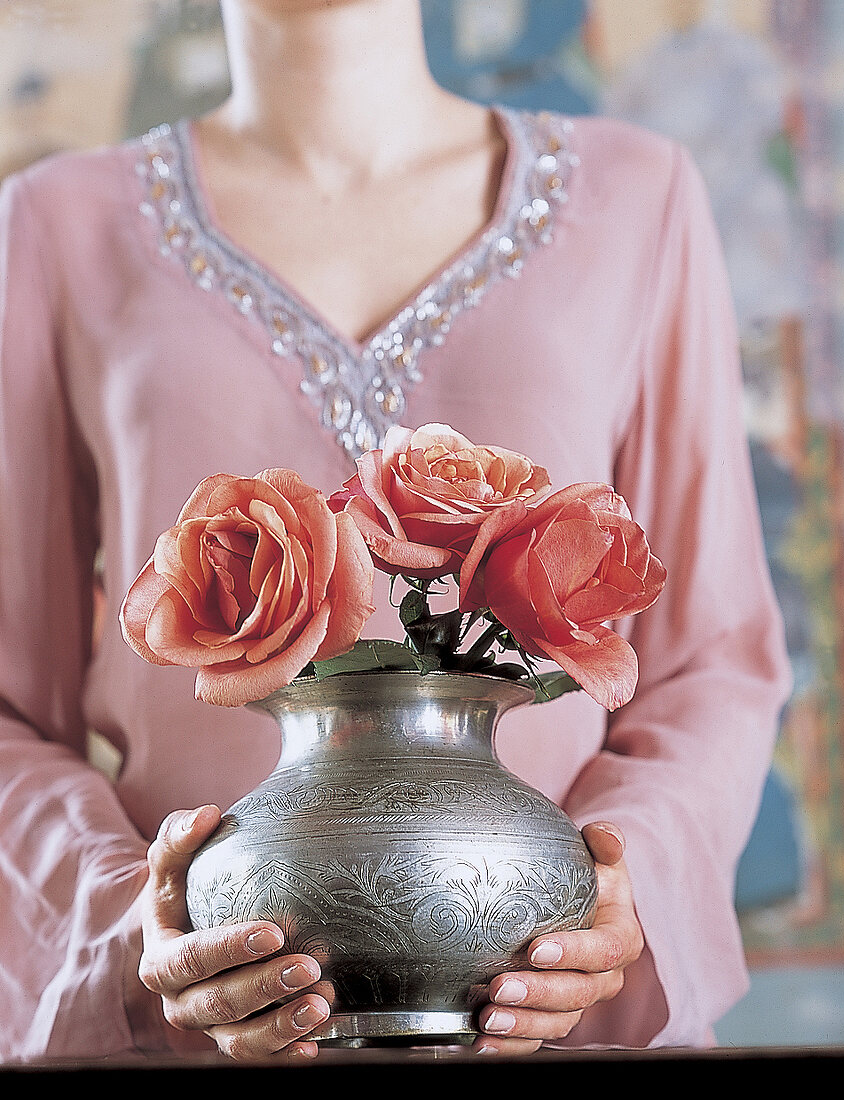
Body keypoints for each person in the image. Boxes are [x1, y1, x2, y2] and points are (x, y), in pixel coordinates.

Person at [0, 0, 791, 1063]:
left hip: (552, 1024)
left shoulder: (636, 199)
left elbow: (711, 663)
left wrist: (616, 892)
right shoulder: (55, 224)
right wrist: (130, 923)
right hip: (187, 1038)